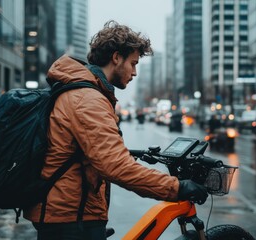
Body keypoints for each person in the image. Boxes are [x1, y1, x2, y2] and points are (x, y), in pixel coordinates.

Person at [24, 20, 208, 240]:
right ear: (116, 58)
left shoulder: (84, 93)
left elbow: (87, 149)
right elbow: (116, 167)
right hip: (71, 220)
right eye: (133, 63)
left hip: (70, 213)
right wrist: (177, 187)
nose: (135, 72)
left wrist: (130, 153)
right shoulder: (88, 99)